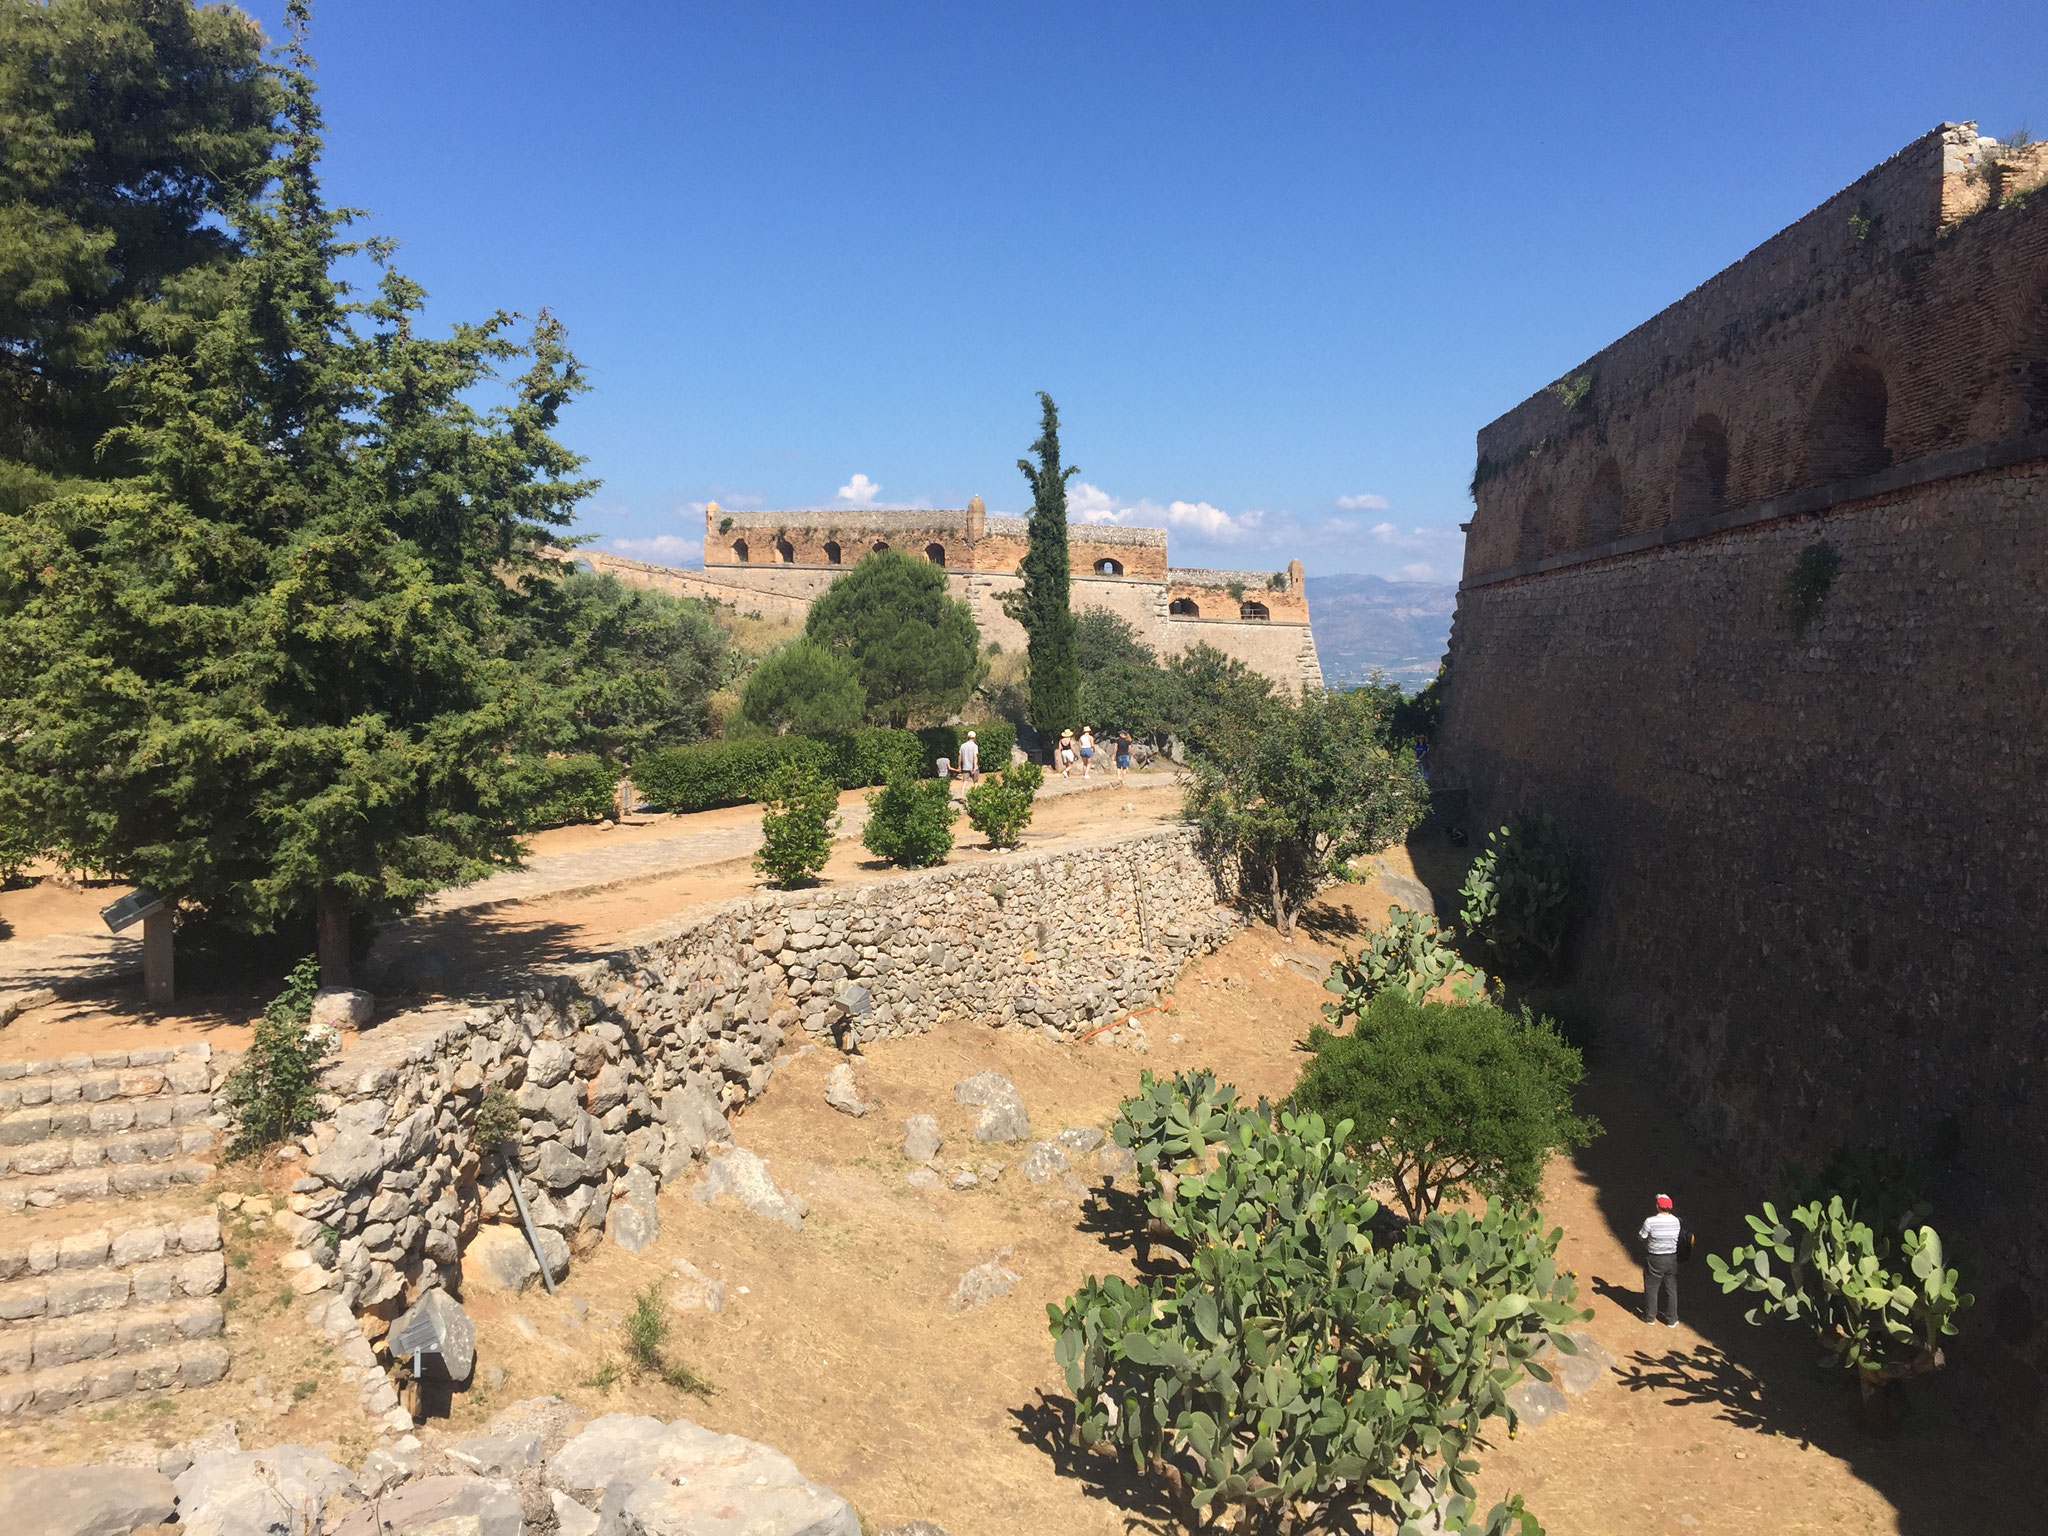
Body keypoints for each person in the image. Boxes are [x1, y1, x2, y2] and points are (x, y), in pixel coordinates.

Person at [1639, 1193, 1681, 1327]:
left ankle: (1650, 1317)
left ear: (1658, 1206)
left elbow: (1642, 1236)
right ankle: (1672, 1319)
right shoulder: (1676, 1221)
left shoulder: (1650, 1221)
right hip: (1672, 1258)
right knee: (1671, 1288)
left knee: (1652, 1288)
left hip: (1655, 1258)